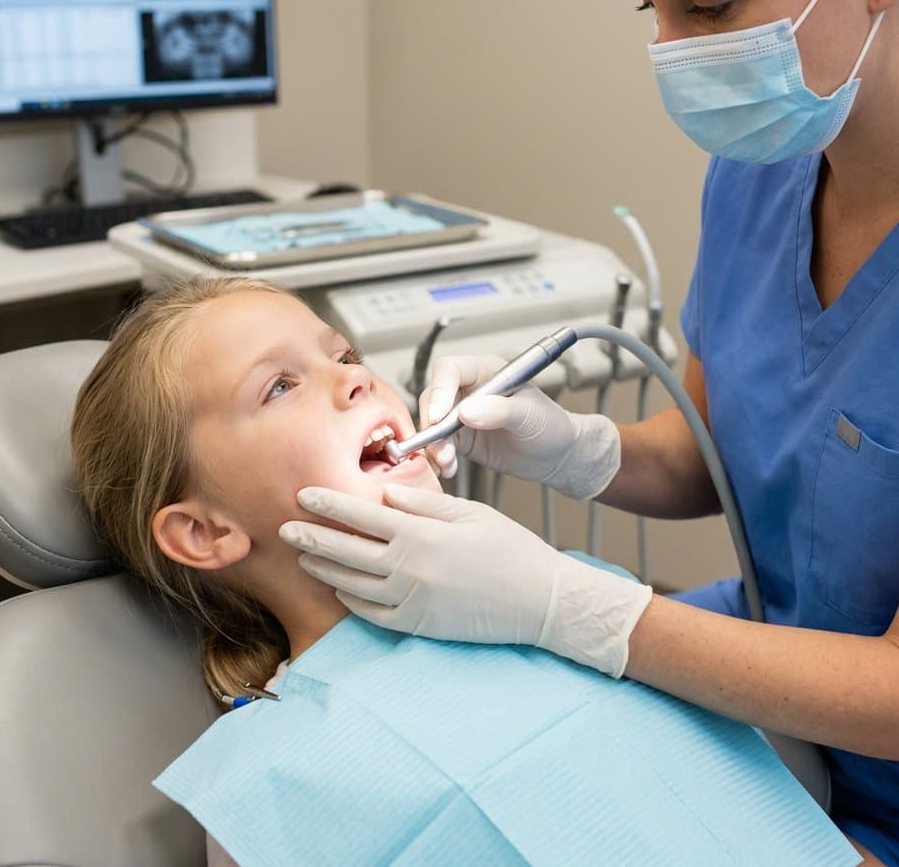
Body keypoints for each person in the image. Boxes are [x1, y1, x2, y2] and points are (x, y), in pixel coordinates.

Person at [275, 0, 899, 864]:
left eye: (703, 4)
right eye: (644, 6)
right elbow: (716, 451)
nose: (670, 48)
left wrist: (573, 607)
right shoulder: (759, 177)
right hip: (771, 729)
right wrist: (579, 449)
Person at [70, 276, 865, 866]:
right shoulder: (269, 782)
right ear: (204, 532)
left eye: (342, 353)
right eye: (280, 386)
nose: (355, 377)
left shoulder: (558, 589)